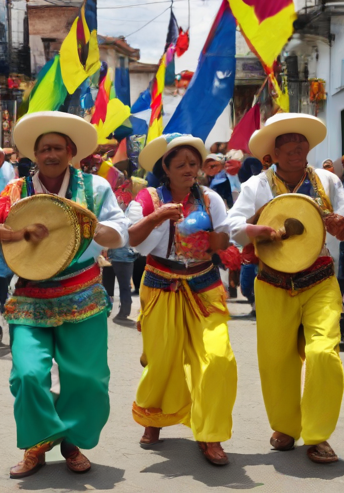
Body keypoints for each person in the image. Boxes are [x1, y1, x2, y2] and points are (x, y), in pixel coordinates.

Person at [0, 111, 128, 478]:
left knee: (88, 379)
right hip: (31, 297)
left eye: (57, 148)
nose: (50, 154)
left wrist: (97, 230)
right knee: (28, 375)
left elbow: (118, 228)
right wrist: (13, 234)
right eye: (44, 148)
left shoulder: (95, 189)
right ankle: (38, 440)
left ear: (70, 151)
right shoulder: (14, 192)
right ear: (33, 154)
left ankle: (71, 442)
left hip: (82, 292)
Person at [227, 113, 344, 464]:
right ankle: (285, 426)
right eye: (288, 142)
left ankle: (317, 434)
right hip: (272, 282)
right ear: (274, 152)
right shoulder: (257, 186)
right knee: (276, 361)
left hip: (319, 279)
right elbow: (233, 222)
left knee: (323, 353)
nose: (297, 147)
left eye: (302, 142)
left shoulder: (327, 180)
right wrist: (252, 231)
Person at [126, 134, 237, 466]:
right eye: (182, 165)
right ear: (166, 168)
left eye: (194, 164)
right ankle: (154, 417)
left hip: (205, 284)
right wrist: (159, 217)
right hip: (161, 283)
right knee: (162, 360)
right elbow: (131, 240)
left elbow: (224, 238)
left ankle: (210, 433)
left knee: (218, 357)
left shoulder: (211, 198)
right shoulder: (147, 198)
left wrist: (222, 241)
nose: (190, 170)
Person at [102, 245, 137, 323]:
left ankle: (123, 314)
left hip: (119, 256)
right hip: (126, 256)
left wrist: (105, 248)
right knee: (125, 286)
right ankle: (122, 311)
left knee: (124, 287)